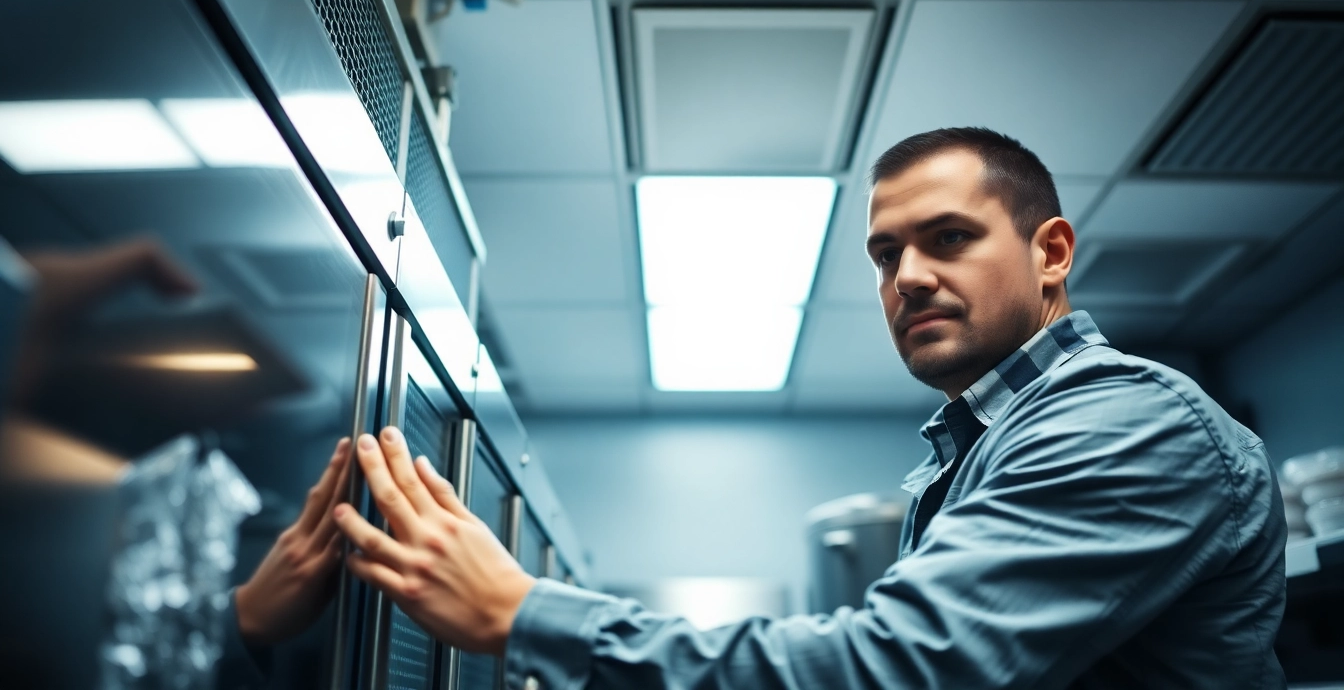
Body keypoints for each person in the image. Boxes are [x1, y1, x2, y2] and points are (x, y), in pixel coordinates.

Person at [240, 127, 1288, 688]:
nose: (909, 277)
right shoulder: (973, 448)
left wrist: (524, 612)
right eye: (886, 255)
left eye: (949, 239)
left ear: (1050, 252)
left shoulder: (1123, 428)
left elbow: (890, 674)